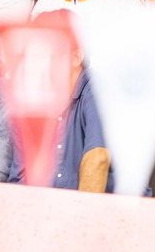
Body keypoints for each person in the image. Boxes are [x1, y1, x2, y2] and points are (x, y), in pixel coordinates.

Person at [6, 20, 110, 193]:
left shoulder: (97, 89)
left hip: (104, 210)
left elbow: (97, 159)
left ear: (77, 57)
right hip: (49, 209)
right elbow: (21, 179)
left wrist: (78, 217)